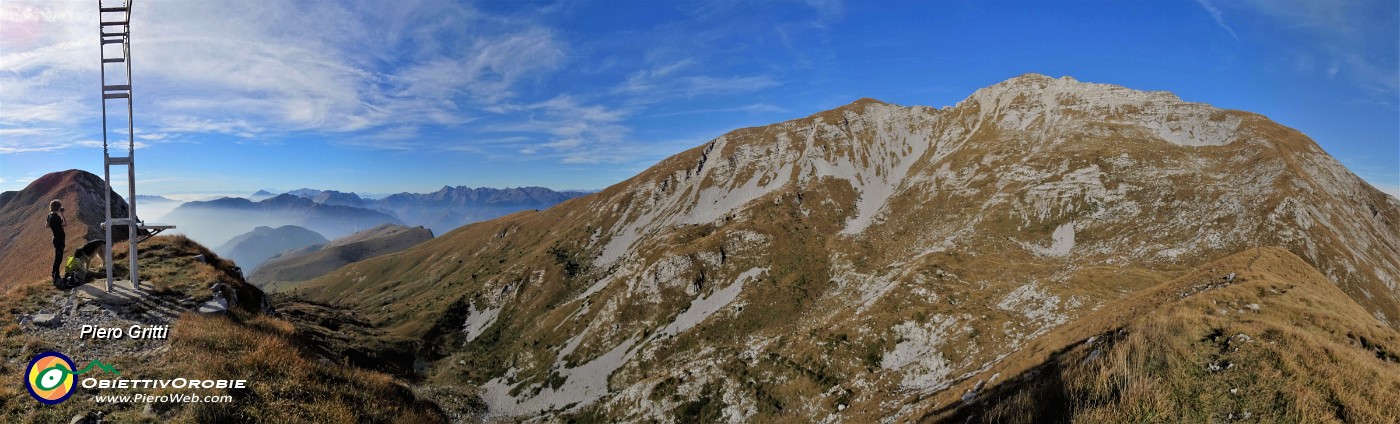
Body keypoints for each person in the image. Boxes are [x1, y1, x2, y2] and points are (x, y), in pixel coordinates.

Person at [46, 200, 65, 284]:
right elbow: (65, 224)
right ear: (58, 207)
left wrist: (54, 226)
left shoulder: (49, 215)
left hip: (55, 238)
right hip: (59, 239)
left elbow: (47, 226)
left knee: (58, 257)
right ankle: (55, 276)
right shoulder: (56, 217)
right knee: (58, 258)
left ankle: (55, 274)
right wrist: (62, 215)